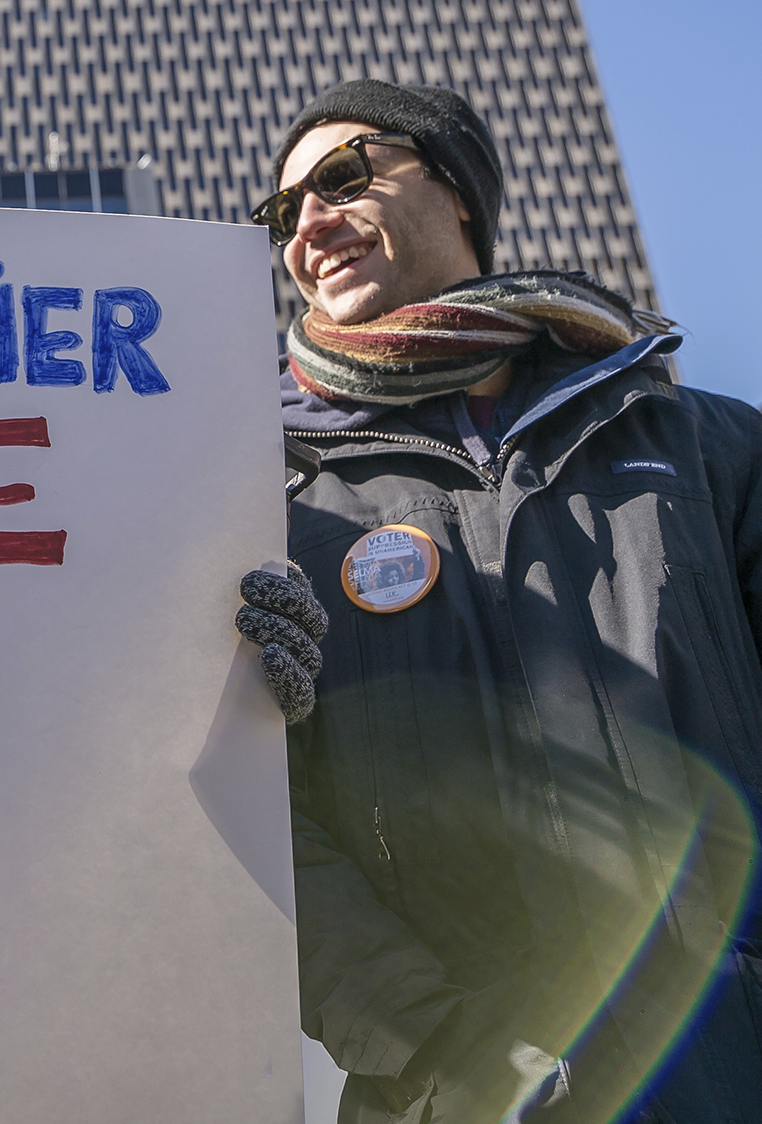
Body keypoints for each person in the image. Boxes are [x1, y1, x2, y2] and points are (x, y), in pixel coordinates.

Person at [234, 80, 762, 1122]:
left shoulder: (705, 446)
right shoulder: (255, 500)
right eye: (282, 212)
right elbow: (250, 810)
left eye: (342, 178)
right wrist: (435, 1049)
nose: (308, 225)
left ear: (458, 191)